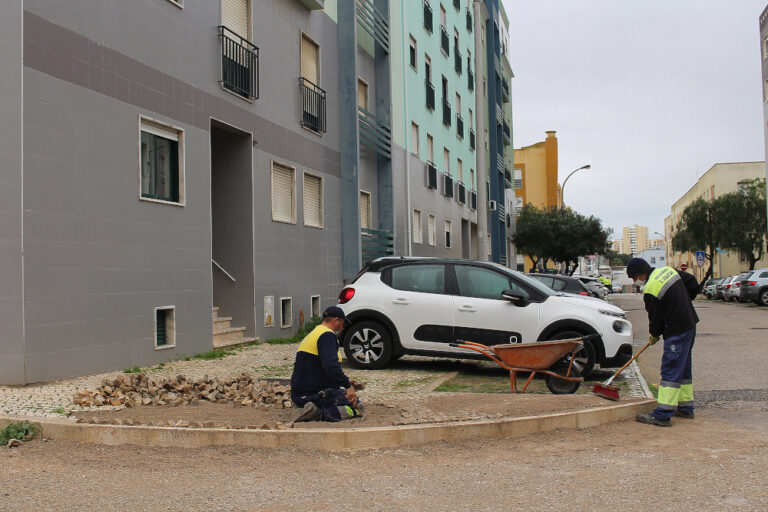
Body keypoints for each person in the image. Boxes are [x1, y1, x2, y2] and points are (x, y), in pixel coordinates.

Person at [626, 257, 700, 427]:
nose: (636, 282)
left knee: (671, 369)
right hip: (689, 324)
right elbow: (692, 282)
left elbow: (656, 318)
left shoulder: (651, 288)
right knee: (684, 368)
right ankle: (686, 408)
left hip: (677, 331)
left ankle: (662, 415)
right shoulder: (667, 270)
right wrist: (684, 302)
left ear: (640, 274)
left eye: (634, 278)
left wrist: (654, 334)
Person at [290, 306, 364, 423]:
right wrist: (348, 386)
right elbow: (330, 366)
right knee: (356, 406)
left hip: (299, 395)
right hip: (316, 394)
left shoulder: (314, 333)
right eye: (343, 323)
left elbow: (319, 370)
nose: (343, 327)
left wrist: (344, 382)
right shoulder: (327, 336)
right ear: (336, 321)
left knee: (340, 394)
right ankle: (319, 414)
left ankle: (308, 408)